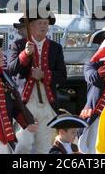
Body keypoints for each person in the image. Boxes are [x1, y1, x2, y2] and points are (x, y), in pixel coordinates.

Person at [8, 8, 67, 154]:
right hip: (26, 105)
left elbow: (62, 76)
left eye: (46, 23)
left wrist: (44, 75)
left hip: (48, 105)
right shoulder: (19, 45)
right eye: (39, 23)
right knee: (22, 146)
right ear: (31, 27)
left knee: (46, 149)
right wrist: (25, 54)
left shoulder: (56, 48)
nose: (43, 26)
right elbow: (11, 70)